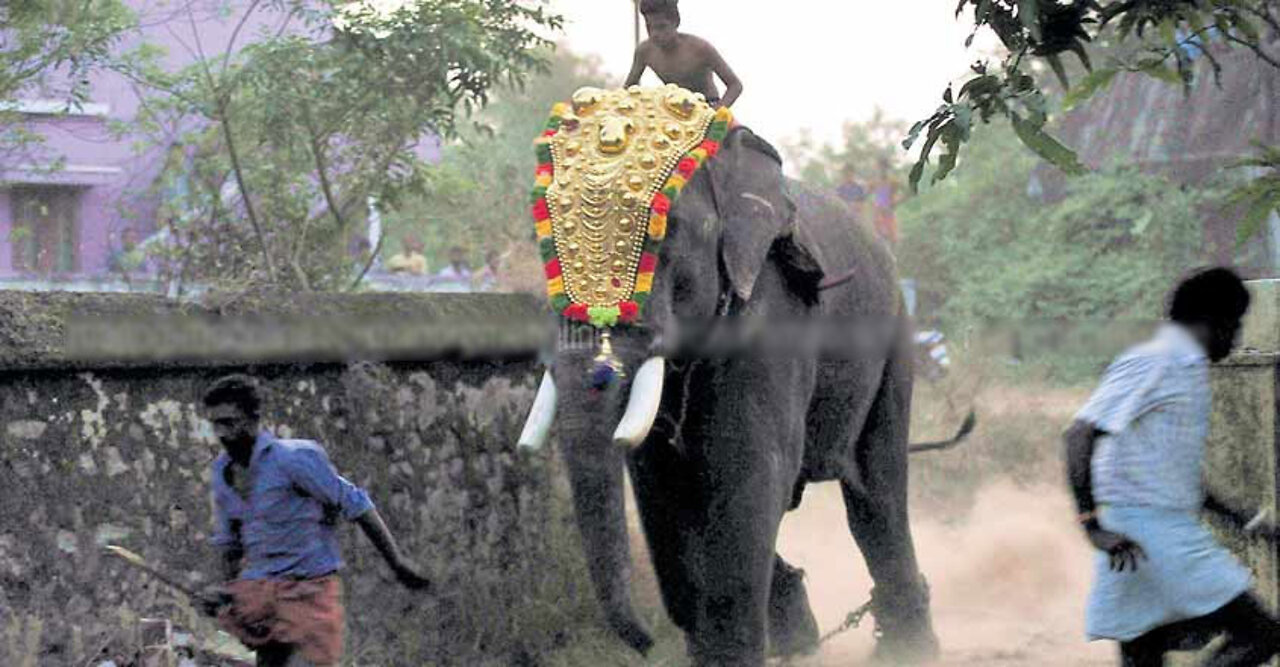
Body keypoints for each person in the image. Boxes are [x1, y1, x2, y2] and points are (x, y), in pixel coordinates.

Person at [1063, 267, 1280, 667]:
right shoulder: (1156, 359)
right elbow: (1079, 434)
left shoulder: (1185, 365)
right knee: (1262, 633)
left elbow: (1179, 477)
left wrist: (1244, 519)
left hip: (1149, 537)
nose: (1237, 337)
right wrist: (1091, 525)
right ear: (1211, 322)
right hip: (1151, 536)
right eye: (1234, 325)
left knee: (1146, 652)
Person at [195, 375, 430, 667]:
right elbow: (230, 544)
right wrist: (224, 591)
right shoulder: (221, 473)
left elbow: (356, 504)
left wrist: (397, 562)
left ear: (254, 418)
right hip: (260, 600)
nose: (223, 434)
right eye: (216, 424)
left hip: (308, 595)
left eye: (230, 422)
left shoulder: (294, 459)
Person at [624, 0, 743, 109]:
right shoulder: (644, 51)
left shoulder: (700, 48)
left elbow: (735, 85)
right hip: (671, 112)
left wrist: (717, 112)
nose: (655, 34)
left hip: (707, 107)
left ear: (675, 22)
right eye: (649, 27)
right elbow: (627, 89)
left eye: (661, 27)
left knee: (740, 133)